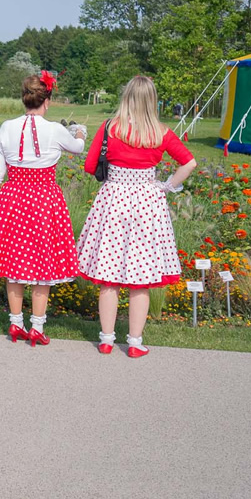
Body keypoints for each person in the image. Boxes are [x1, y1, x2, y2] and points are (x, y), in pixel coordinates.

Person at [77, 76, 197, 358]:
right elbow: (189, 163)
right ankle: (134, 342)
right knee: (140, 276)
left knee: (109, 274)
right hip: (147, 201)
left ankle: (106, 340)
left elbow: (90, 165)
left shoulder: (110, 128)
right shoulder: (161, 133)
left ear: (126, 97)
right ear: (152, 100)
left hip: (114, 199)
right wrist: (166, 185)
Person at [0, 71, 87, 347]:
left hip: (12, 200)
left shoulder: (6, 127)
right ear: (47, 101)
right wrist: (79, 130)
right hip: (44, 201)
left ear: (24, 99)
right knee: (41, 266)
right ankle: (36, 327)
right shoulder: (56, 130)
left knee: (13, 263)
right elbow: (78, 148)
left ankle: (15, 324)